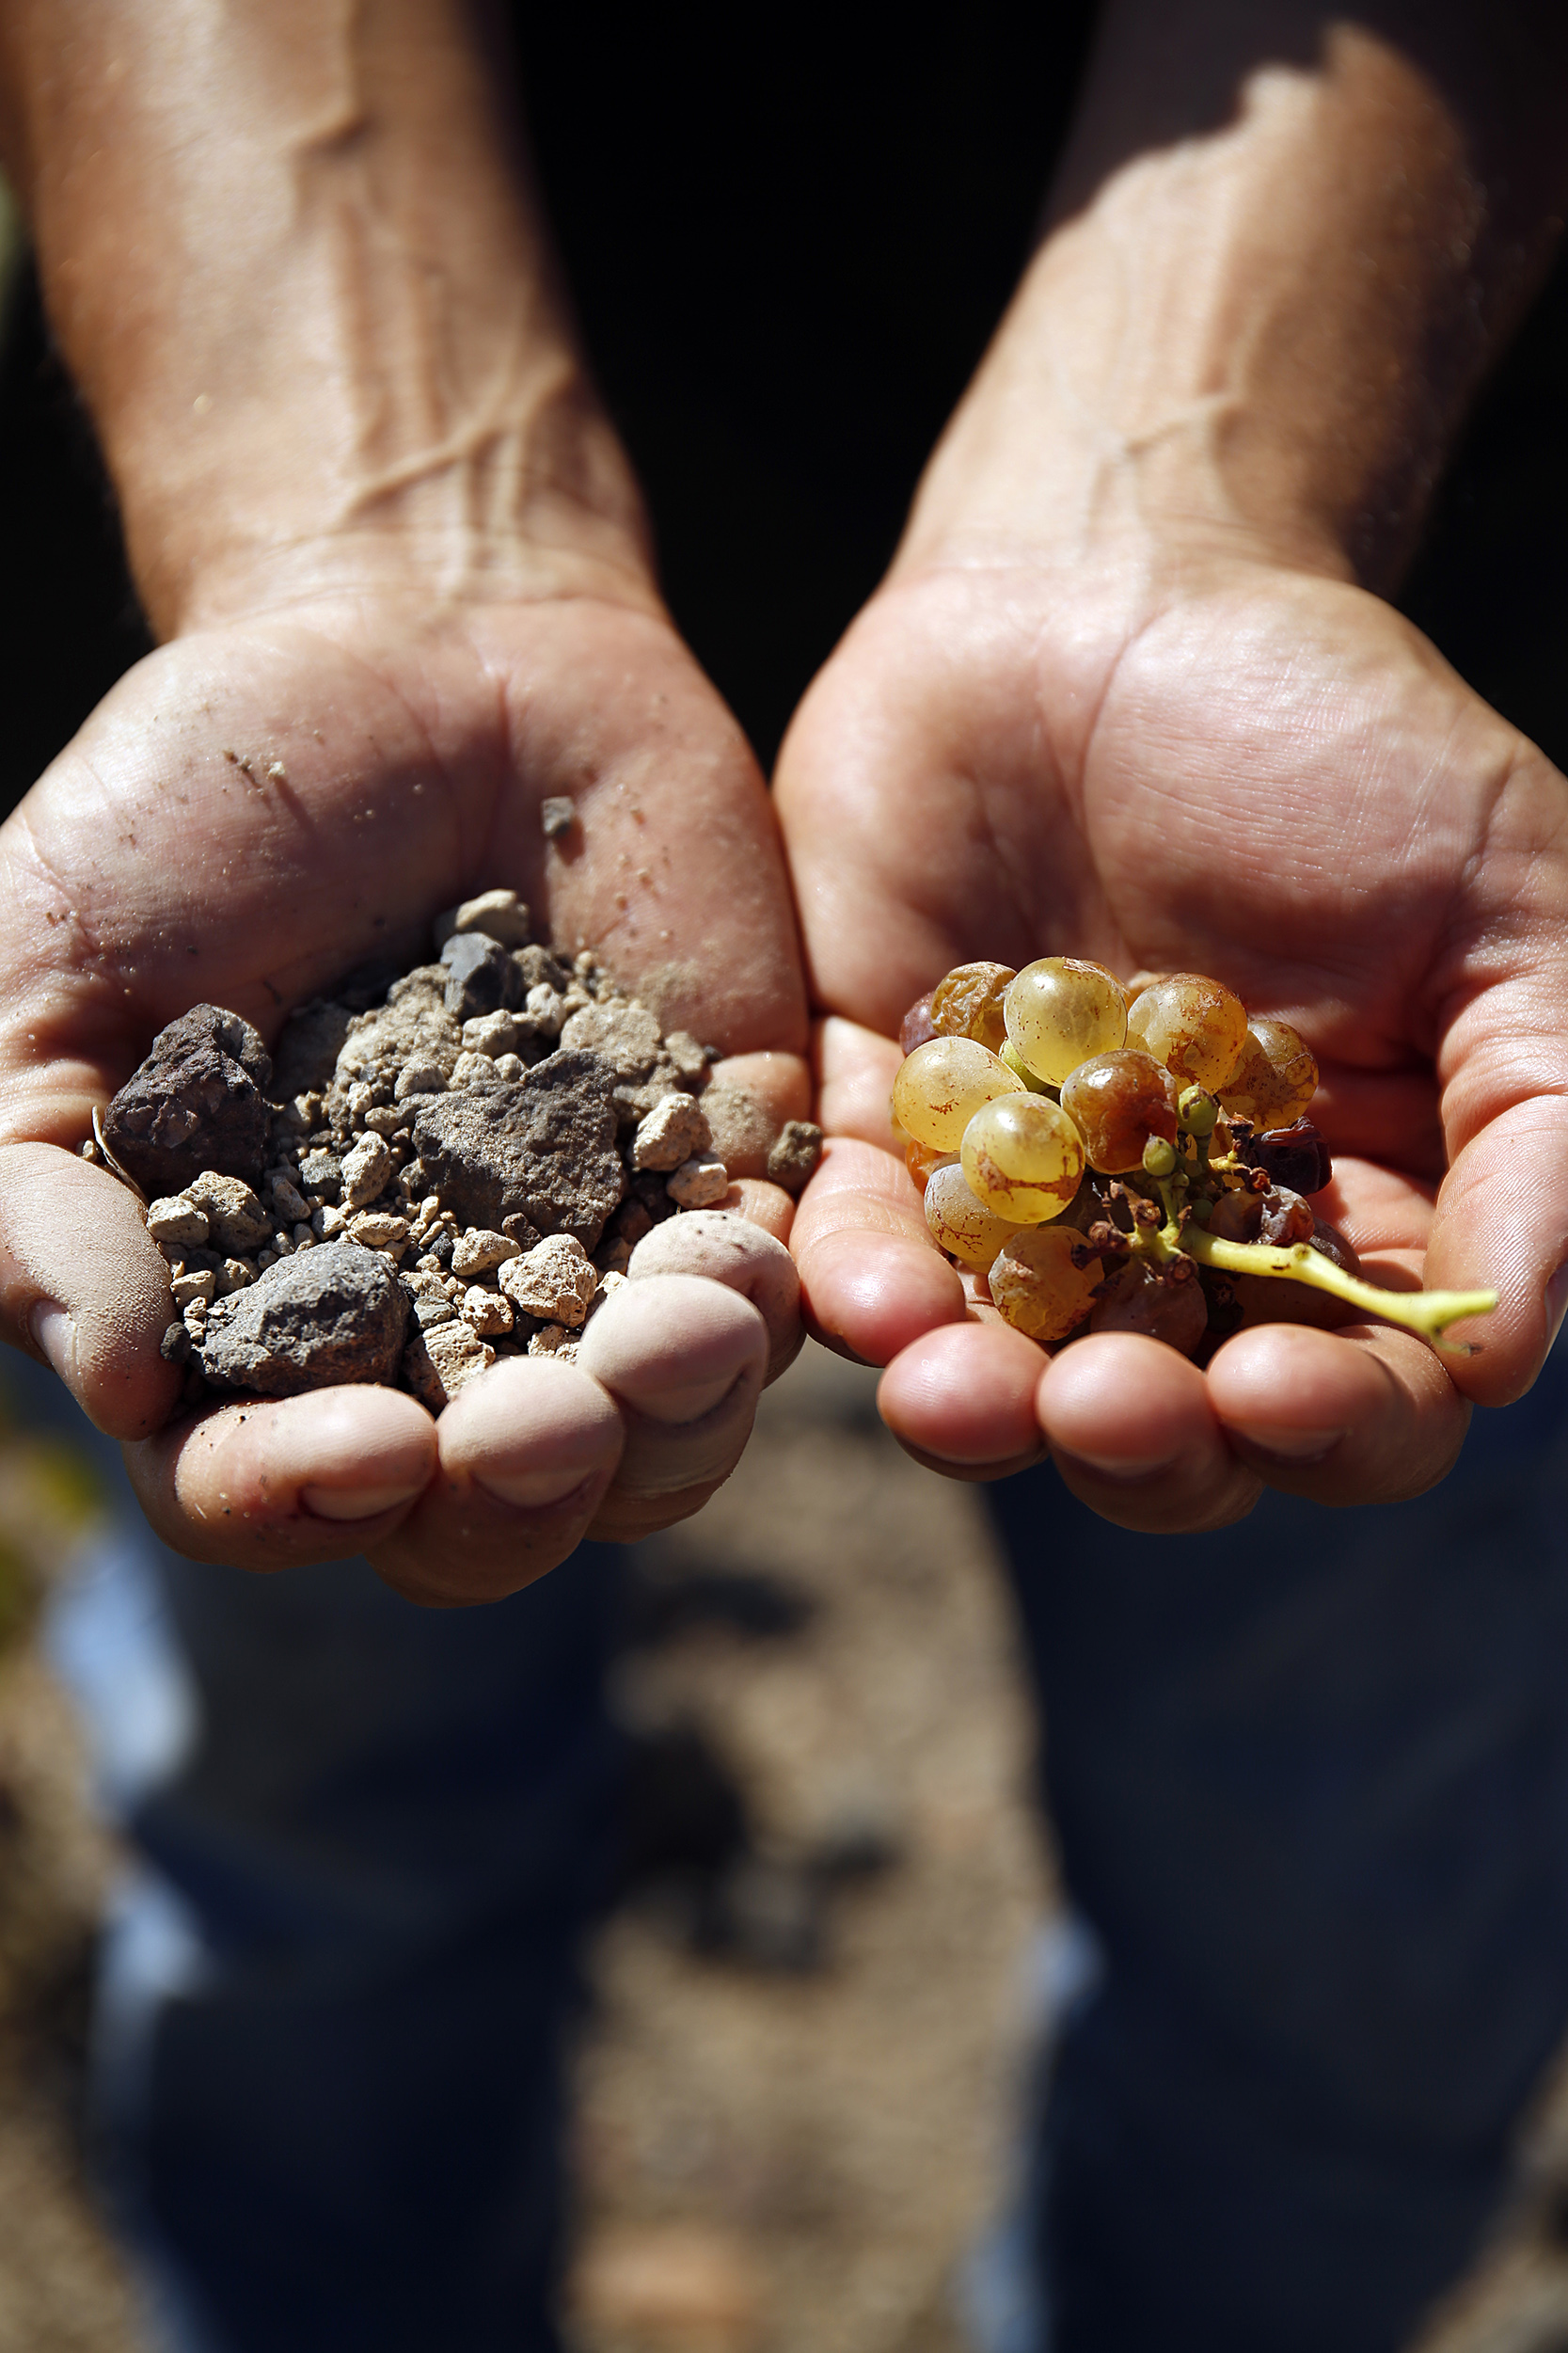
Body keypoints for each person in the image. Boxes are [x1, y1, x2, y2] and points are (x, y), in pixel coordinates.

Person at [3, 1, 1568, 2345]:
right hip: (301, 744)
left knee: (1327, 1924)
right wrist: (366, 524)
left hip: (1315, 892)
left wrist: (1192, 495)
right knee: (327, 1834)